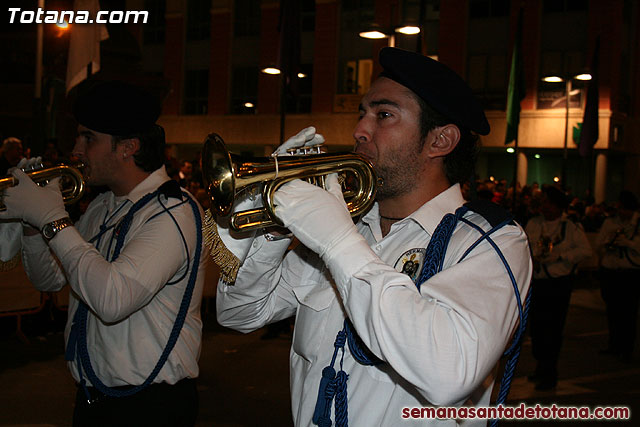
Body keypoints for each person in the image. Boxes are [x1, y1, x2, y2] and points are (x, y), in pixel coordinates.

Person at [213, 48, 532, 426]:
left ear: (440, 141)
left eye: (383, 115)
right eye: (362, 113)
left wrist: (336, 242)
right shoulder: (348, 227)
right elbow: (238, 313)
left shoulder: (489, 242)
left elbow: (448, 373)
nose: (359, 130)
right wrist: (277, 226)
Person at [0, 80, 208, 426]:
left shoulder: (173, 211)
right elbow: (49, 279)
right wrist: (34, 227)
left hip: (150, 407)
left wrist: (52, 219)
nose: (76, 150)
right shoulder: (103, 206)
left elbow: (112, 300)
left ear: (128, 147)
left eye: (88, 138)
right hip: (95, 400)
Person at [525, 186, 592, 390]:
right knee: (536, 327)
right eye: (543, 203)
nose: (545, 207)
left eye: (549, 203)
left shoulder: (570, 226)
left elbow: (585, 250)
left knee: (553, 329)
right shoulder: (534, 224)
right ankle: (540, 366)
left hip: (558, 284)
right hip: (538, 282)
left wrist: (561, 256)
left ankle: (549, 372)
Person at [595, 190, 640, 362]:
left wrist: (628, 243)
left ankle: (627, 347)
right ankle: (614, 344)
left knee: (628, 312)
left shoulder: (637, 223)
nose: (621, 212)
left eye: (624, 208)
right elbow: (598, 245)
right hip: (611, 271)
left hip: (630, 273)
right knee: (612, 310)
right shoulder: (610, 222)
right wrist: (610, 241)